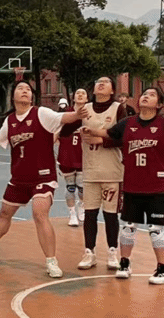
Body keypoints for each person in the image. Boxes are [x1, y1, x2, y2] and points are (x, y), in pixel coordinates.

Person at [0, 80, 86, 278]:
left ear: (32, 97)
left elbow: (63, 117)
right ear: (13, 96)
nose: (25, 91)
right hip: (19, 177)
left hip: (43, 177)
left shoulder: (41, 114)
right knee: (4, 213)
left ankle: (51, 261)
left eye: (28, 89)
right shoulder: (10, 121)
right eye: (20, 88)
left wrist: (77, 114)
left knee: (39, 213)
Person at [82, 86, 164, 285]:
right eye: (144, 94)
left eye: (151, 95)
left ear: (159, 104)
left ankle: (163, 268)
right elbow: (108, 133)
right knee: (128, 227)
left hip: (158, 186)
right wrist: (92, 130)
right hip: (132, 185)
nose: (145, 96)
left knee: (155, 229)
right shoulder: (128, 123)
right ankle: (125, 263)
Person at [77, 76, 129, 271]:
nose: (101, 83)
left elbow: (126, 137)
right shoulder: (84, 109)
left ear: (112, 90)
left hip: (112, 171)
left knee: (110, 215)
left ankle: (112, 251)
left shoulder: (118, 108)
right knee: (90, 214)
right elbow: (66, 129)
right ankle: (89, 252)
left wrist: (102, 140)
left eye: (106, 82)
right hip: (90, 170)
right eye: (98, 81)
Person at [57, 90, 88, 227]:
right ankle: (72, 214)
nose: (80, 95)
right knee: (70, 187)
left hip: (83, 156)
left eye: (83, 93)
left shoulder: (89, 115)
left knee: (82, 187)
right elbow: (56, 132)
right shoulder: (66, 114)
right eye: (78, 93)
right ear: (73, 98)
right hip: (67, 156)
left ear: (87, 98)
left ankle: (81, 205)